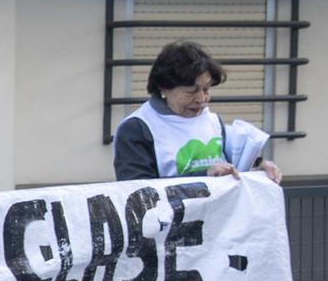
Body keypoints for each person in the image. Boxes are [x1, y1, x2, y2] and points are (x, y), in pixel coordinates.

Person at [112, 40, 283, 183]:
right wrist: (204, 176)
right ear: (164, 88)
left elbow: (233, 168)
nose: (201, 99)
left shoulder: (212, 121)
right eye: (191, 91)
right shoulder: (137, 128)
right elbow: (136, 193)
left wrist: (258, 170)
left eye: (206, 89)